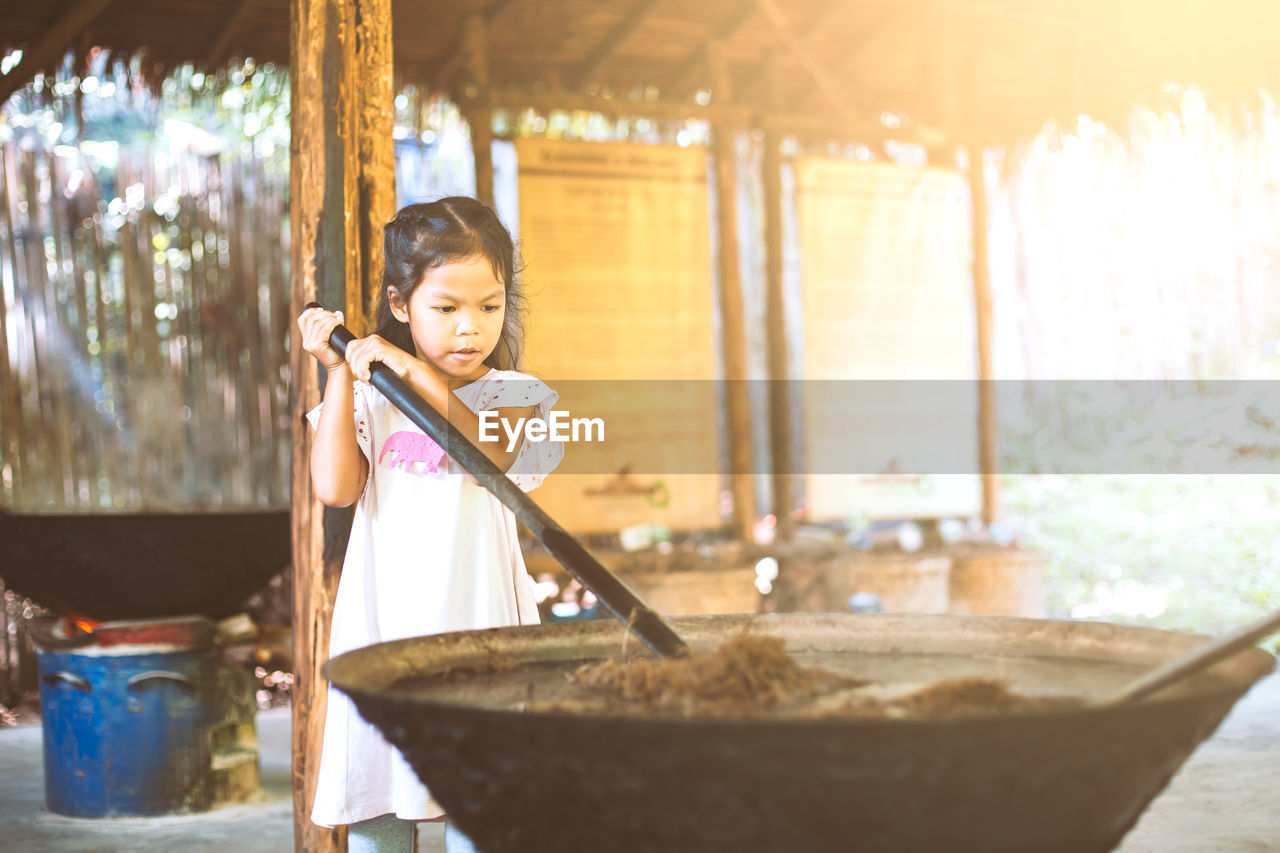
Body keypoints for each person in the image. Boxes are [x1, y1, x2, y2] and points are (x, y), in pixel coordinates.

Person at [298, 197, 563, 853]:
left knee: (484, 800)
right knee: (385, 798)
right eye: (446, 309)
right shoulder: (372, 396)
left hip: (482, 632)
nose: (470, 328)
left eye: (489, 306)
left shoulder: (515, 396)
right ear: (399, 303)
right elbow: (335, 487)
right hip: (389, 628)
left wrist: (415, 373)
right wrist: (337, 374)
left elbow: (494, 457)